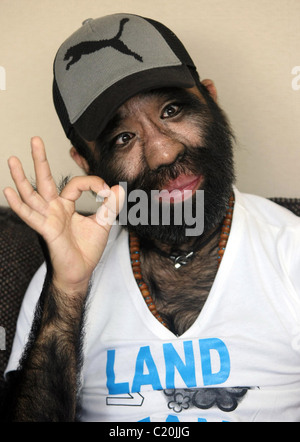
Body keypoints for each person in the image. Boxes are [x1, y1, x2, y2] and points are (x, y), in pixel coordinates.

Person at [1, 13, 300, 423]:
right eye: (123, 138)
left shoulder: (291, 252)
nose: (163, 152)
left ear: (211, 100)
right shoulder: (59, 285)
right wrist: (68, 292)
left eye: (173, 109)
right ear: (87, 162)